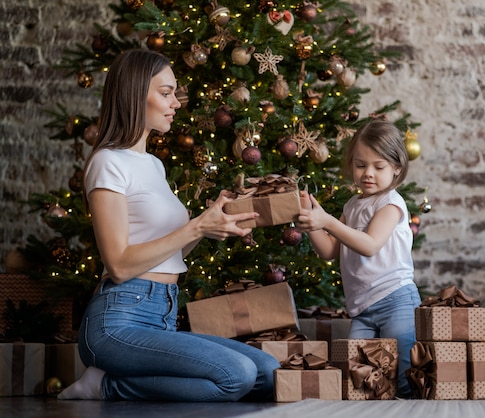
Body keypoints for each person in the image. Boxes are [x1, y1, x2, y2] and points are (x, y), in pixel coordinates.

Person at [57, 49, 279, 402]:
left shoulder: (154, 166)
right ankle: (103, 385)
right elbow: (119, 264)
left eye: (175, 92)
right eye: (166, 92)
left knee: (269, 372)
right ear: (134, 93)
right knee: (237, 376)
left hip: (162, 314)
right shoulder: (107, 163)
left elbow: (166, 252)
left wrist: (209, 225)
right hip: (117, 321)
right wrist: (195, 228)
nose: (176, 102)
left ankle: (112, 380)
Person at [297, 119, 421, 398]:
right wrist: (312, 222)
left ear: (397, 168)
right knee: (359, 378)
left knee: (403, 377)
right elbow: (329, 251)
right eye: (360, 164)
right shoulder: (352, 205)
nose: (368, 173)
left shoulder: (390, 203)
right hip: (362, 308)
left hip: (396, 299)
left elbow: (370, 245)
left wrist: (327, 221)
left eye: (379, 167)